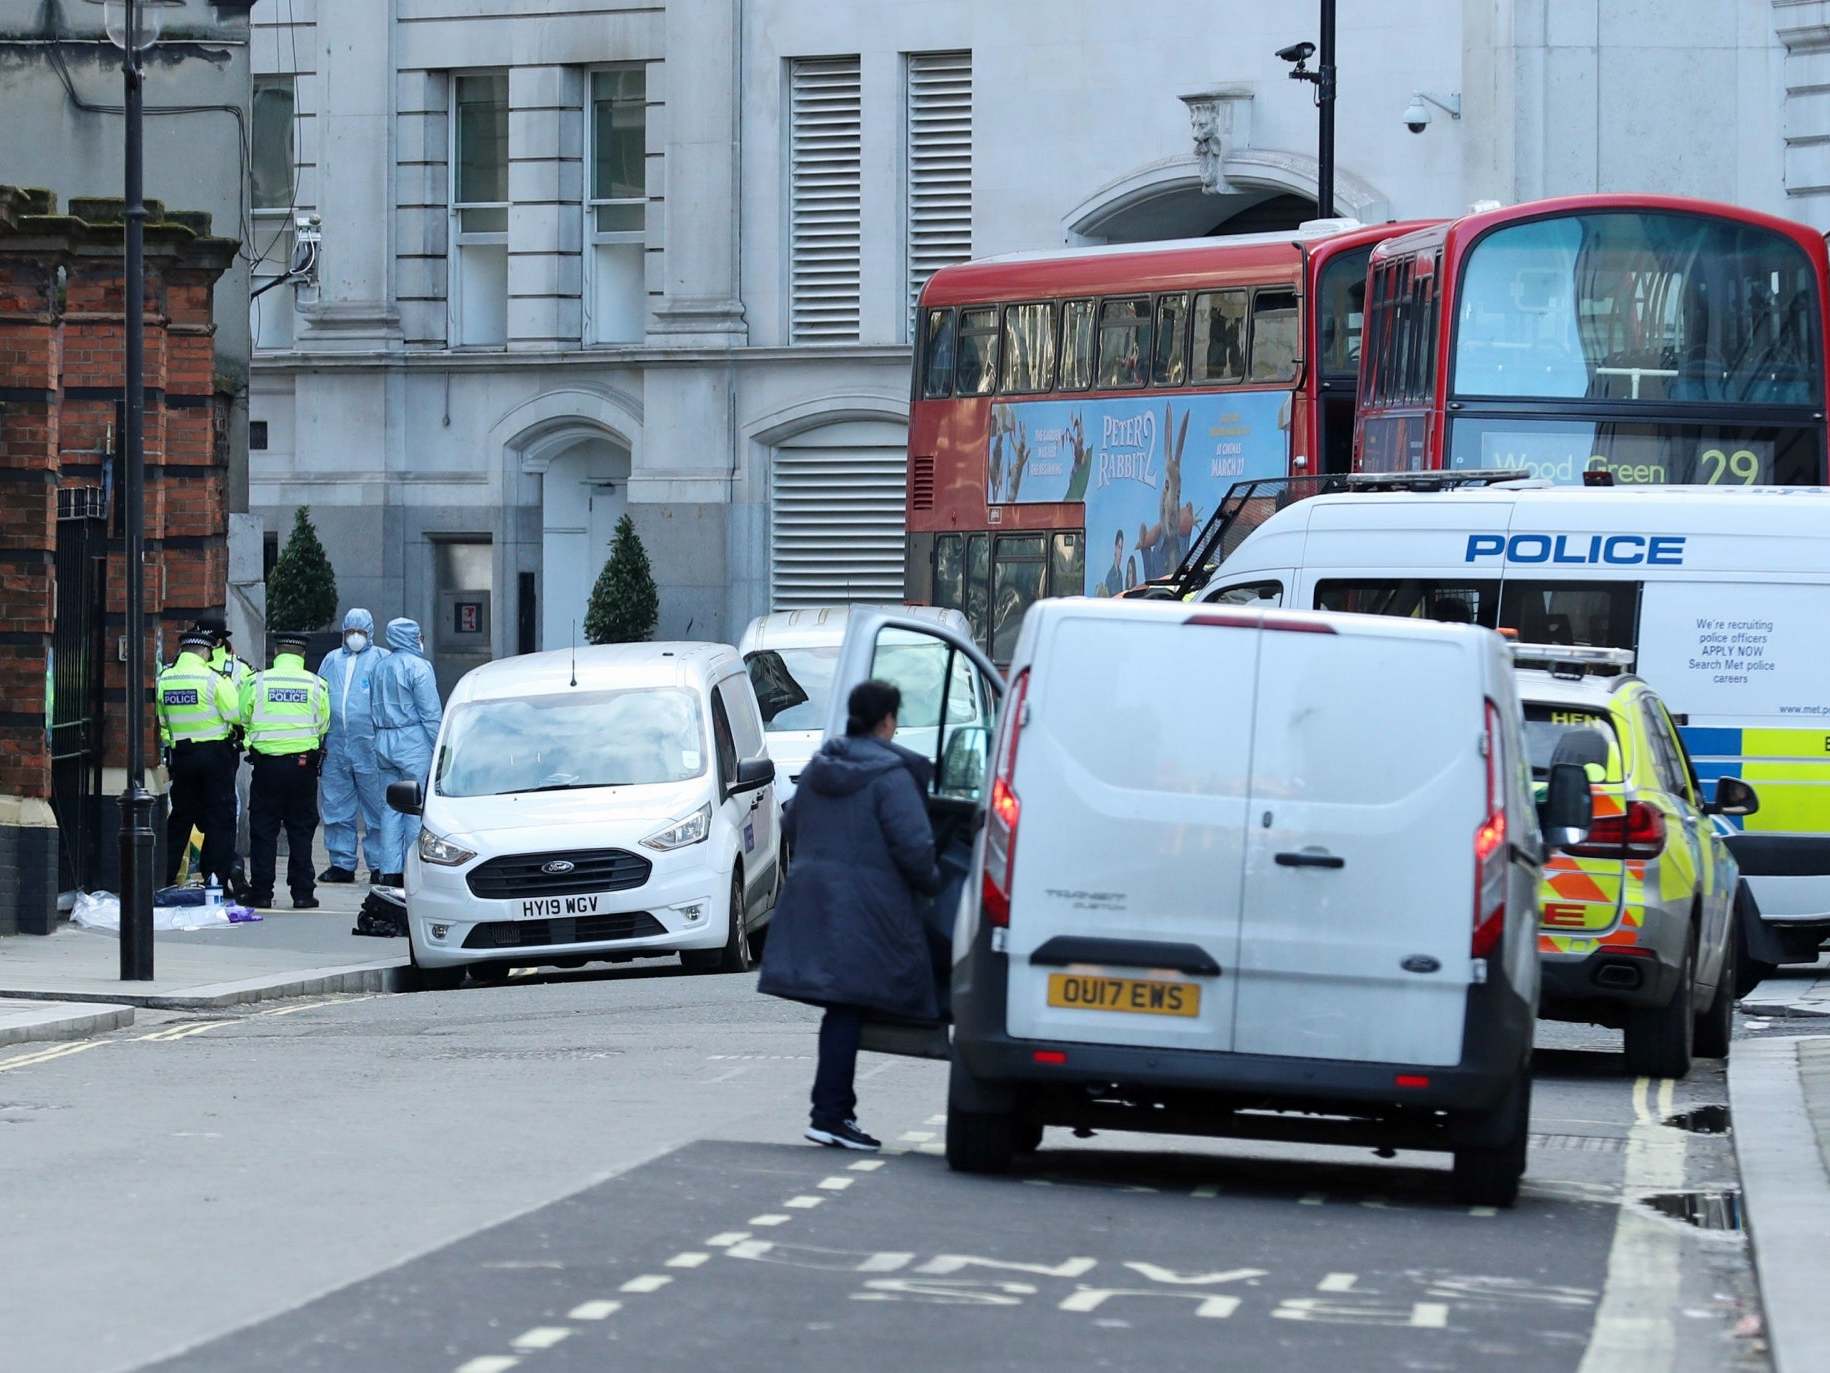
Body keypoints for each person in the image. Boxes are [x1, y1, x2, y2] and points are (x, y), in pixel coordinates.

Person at [757, 679, 942, 1152]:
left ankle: (834, 1111)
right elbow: (915, 847)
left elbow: (791, 822)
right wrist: (934, 888)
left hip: (817, 902)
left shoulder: (823, 765)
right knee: (849, 1009)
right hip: (867, 909)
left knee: (844, 1008)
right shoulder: (889, 775)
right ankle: (831, 1115)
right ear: (886, 721)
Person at [241, 631, 331, 909]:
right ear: (302, 655)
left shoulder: (256, 681)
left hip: (267, 767)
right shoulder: (317, 684)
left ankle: (262, 893)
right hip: (303, 766)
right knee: (301, 831)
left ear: (277, 653)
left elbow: (242, 715)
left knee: (263, 829)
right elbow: (323, 723)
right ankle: (303, 893)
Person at [156, 625, 243, 892]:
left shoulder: (165, 679)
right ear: (205, 651)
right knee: (220, 818)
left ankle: (165, 875)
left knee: (181, 817)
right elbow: (235, 715)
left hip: (181, 755)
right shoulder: (213, 679)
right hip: (215, 755)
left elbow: (162, 721)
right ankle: (214, 878)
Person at [317, 608, 390, 883]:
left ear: (370, 632)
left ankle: (381, 865)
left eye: (360, 632)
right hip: (335, 743)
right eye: (350, 632)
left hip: (370, 745)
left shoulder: (381, 659)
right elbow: (320, 695)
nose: (355, 637)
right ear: (344, 632)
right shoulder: (331, 660)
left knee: (377, 808)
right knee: (336, 805)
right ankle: (341, 863)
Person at [370, 617, 443, 884]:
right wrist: (440, 749)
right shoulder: (419, 668)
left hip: (383, 740)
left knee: (389, 808)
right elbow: (431, 713)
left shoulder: (379, 667)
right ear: (412, 637)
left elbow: (371, 707)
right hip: (412, 741)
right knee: (415, 807)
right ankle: (413, 869)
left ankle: (388, 870)